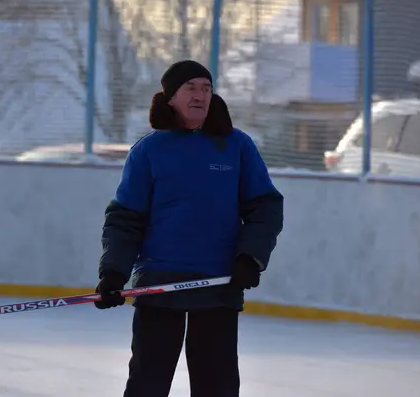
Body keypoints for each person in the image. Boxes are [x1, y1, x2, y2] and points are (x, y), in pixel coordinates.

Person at [94, 59, 284, 397]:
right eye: (190, 88)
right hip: (159, 285)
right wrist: (113, 272)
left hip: (219, 285)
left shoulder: (237, 146)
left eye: (206, 88)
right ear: (170, 98)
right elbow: (125, 218)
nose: (200, 95)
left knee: (217, 386)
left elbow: (265, 207)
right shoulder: (149, 150)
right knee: (147, 384)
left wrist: (250, 257)